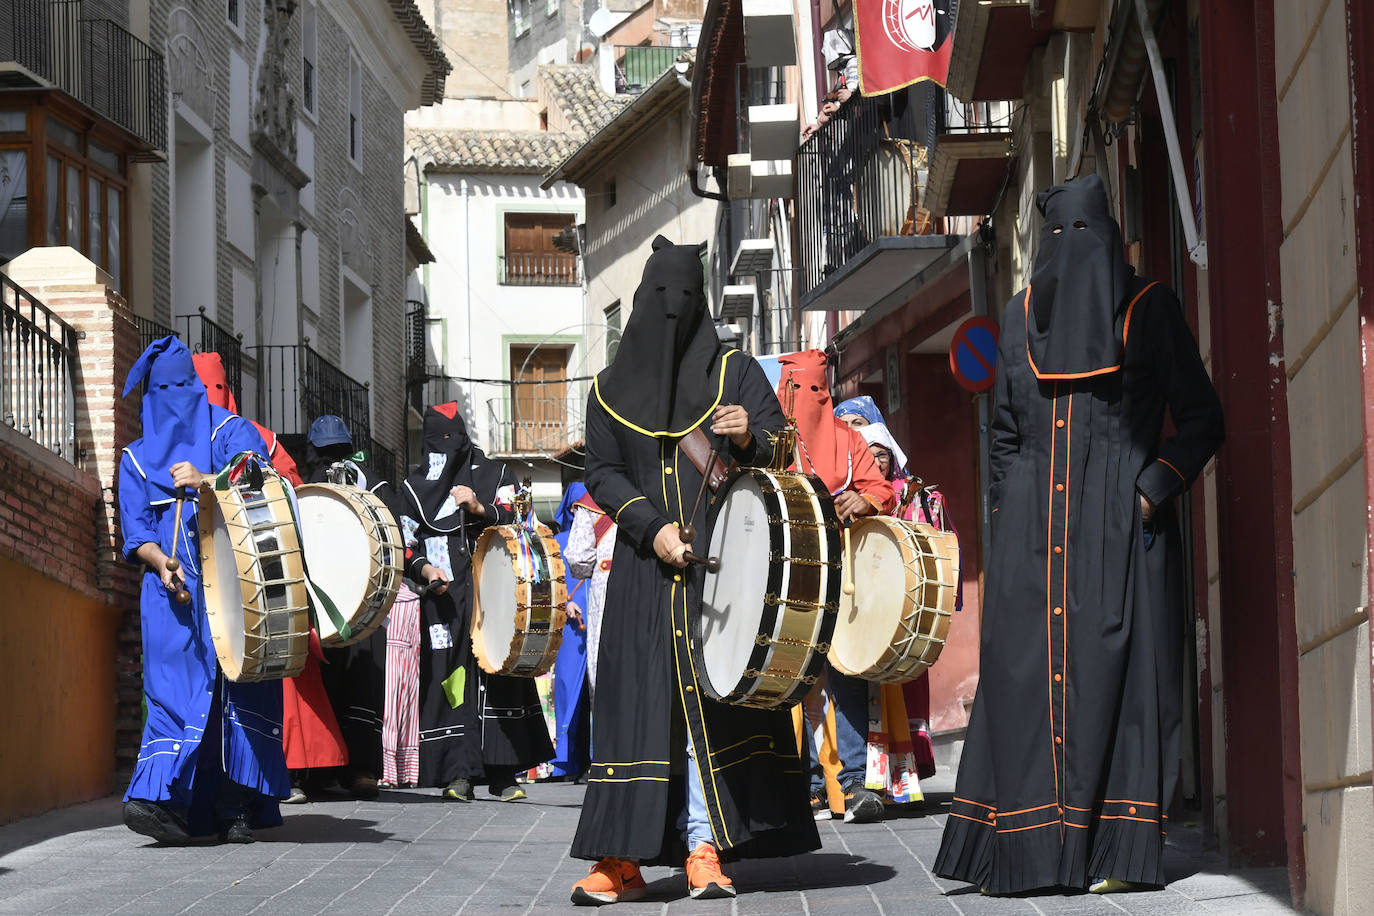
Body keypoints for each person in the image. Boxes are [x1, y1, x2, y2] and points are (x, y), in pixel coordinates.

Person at [934, 175, 1224, 894]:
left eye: (1084, 236)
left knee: (1121, 692)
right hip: (1030, 544)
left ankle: (1118, 857)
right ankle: (1034, 855)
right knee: (1025, 686)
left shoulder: (1149, 310)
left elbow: (1202, 419)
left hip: (1120, 535)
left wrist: (1150, 493)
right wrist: (1010, 513)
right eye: (1058, 238)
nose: (1072, 252)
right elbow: (1004, 432)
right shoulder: (1017, 317)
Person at [570, 236, 819, 905]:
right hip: (642, 575)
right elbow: (601, 471)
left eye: (686, 299)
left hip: (723, 570)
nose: (673, 311)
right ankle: (618, 858)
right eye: (661, 299)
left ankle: (703, 850)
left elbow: (780, 446)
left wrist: (745, 436)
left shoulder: (736, 372)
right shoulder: (605, 390)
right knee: (640, 712)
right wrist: (651, 530)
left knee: (712, 710)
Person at [118, 336, 288, 845]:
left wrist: (205, 479)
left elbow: (262, 483)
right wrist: (159, 563)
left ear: (193, 386)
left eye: (180, 385)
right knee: (172, 693)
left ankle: (236, 809)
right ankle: (165, 804)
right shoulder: (137, 456)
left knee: (237, 691)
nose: (172, 396)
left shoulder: (228, 430)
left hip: (236, 585)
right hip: (169, 597)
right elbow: (136, 531)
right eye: (161, 389)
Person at [192, 353, 348, 805]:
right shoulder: (254, 434)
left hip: (257, 566)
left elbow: (282, 490)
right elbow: (289, 487)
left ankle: (283, 773)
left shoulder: (245, 436)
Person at [400, 403, 554, 802]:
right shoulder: (414, 489)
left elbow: (523, 519)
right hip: (444, 602)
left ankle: (504, 774)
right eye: (438, 444)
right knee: (451, 682)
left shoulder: (495, 474)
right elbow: (404, 545)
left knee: (498, 674)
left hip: (494, 594)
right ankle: (457, 773)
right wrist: (424, 570)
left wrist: (480, 508)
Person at [777, 350, 896, 825]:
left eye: (816, 390)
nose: (808, 400)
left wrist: (863, 498)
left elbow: (884, 489)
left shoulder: (850, 438)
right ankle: (799, 784)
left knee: (846, 675)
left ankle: (850, 783)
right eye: (797, 389)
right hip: (783, 579)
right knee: (788, 680)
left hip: (842, 577)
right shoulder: (767, 440)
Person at [302, 415, 413, 799]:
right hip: (363, 600)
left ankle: (322, 771)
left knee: (326, 686)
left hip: (318, 605)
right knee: (362, 686)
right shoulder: (376, 484)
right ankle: (360, 771)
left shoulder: (303, 483)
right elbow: (397, 536)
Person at [550, 483, 592, 781]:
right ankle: (567, 761)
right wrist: (565, 603)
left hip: (601, 623)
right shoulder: (556, 543)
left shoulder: (605, 541)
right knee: (568, 691)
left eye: (586, 506)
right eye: (576, 506)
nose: (580, 512)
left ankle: (600, 759)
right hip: (571, 631)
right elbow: (548, 585)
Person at [563, 487, 616, 698]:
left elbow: (578, 559)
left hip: (605, 595)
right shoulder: (655, 489)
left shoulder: (594, 501)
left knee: (604, 672)